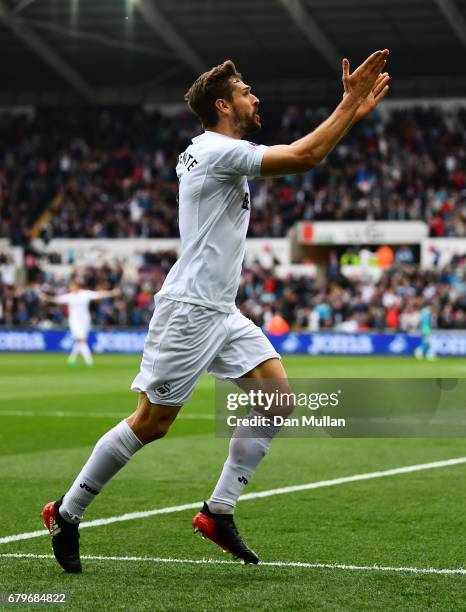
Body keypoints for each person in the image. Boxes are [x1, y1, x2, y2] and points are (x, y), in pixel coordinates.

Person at [42, 51, 390, 572]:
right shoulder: (216, 151)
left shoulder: (213, 150)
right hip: (189, 309)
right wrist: (346, 105)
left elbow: (305, 154)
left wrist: (346, 115)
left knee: (276, 399)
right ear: (224, 105)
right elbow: (303, 158)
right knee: (152, 423)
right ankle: (66, 514)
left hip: (221, 310)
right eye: (247, 91)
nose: (256, 97)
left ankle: (218, 511)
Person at [42, 281, 118, 366]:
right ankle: (89, 361)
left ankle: (71, 359)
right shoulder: (69, 296)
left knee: (80, 341)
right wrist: (47, 298)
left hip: (85, 321)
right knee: (82, 339)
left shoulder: (85, 294)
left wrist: (111, 293)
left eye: (72, 286)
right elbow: (57, 300)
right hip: (74, 321)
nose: (70, 288)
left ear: (77, 287)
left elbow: (98, 294)